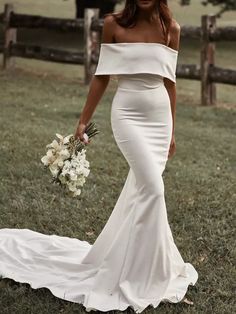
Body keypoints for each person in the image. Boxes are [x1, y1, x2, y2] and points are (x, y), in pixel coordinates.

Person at [0, 0, 198, 312]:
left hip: (159, 122)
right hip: (128, 116)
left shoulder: (170, 29)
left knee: (141, 192)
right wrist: (83, 121)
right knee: (153, 189)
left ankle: (141, 264)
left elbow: (170, 83)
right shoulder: (113, 24)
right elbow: (102, 76)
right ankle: (143, 274)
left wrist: (171, 131)